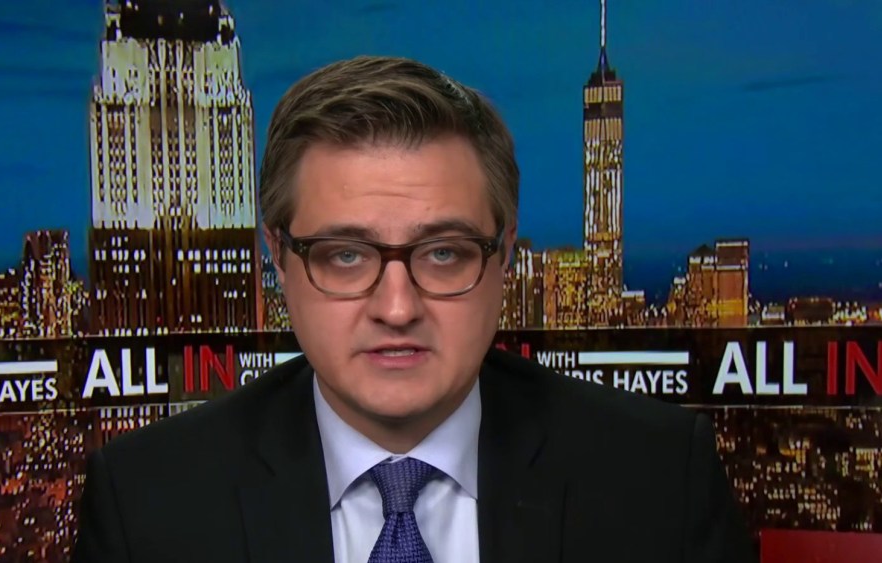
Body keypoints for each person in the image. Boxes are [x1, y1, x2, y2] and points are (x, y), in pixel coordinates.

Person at [73, 55, 756, 563]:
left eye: (444, 253)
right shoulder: (148, 504)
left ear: (504, 254)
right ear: (278, 259)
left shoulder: (659, 479)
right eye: (345, 255)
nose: (397, 308)